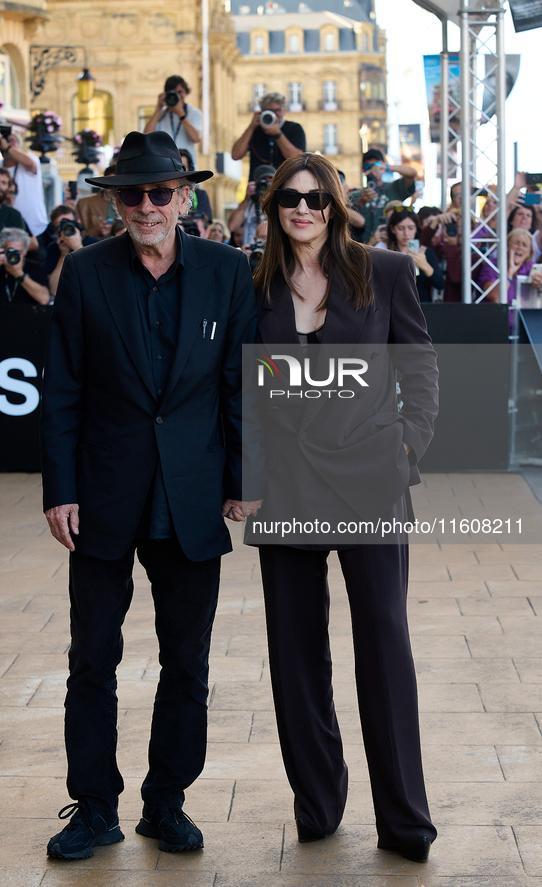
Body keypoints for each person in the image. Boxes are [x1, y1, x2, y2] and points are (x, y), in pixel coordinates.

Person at [40, 130, 259, 861]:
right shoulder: (86, 273)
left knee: (185, 662)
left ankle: (166, 801)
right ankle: (94, 806)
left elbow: (239, 382)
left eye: (159, 192)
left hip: (190, 493)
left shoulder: (229, 272)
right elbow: (63, 390)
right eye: (130, 194)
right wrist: (59, 490)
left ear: (185, 196)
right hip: (102, 492)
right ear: (114, 203)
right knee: (91, 659)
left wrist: (244, 477)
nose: (145, 206)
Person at [249, 153, 438, 861]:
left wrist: (408, 448)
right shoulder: (253, 279)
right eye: (290, 199)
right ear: (274, 208)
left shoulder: (383, 271)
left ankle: (405, 822)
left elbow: (419, 369)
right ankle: (318, 806)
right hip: (287, 485)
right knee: (295, 659)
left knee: (384, 648)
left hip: (369, 481)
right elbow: (240, 386)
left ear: (335, 205)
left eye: (316, 198)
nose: (303, 209)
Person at [231, 92, 306, 181]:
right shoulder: (256, 130)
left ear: (284, 110)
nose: (272, 114)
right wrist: (251, 127)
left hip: (284, 186)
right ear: (261, 112)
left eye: (276, 110)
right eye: (268, 111)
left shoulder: (294, 128)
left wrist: (277, 134)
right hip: (258, 188)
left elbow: (298, 159)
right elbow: (235, 155)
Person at [349, 149, 417, 243]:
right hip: (363, 246)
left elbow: (412, 173)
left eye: (377, 165)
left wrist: (388, 167)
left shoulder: (393, 188)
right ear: (363, 169)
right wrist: (361, 202)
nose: (373, 169)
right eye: (368, 166)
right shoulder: (355, 195)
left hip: (390, 246)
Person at [0, 227, 50, 305]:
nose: (14, 256)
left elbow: (44, 299)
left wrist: (18, 274)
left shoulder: (35, 267)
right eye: (11, 251)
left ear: (25, 251)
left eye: (18, 252)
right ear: (3, 250)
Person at [143, 75, 202, 169]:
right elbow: (146, 135)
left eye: (180, 92)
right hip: (165, 166)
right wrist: (159, 108)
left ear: (186, 92)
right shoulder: (161, 114)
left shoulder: (193, 112)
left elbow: (196, 138)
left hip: (187, 166)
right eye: (172, 93)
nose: (177, 96)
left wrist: (180, 114)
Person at [386, 208, 444, 302]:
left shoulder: (426, 252)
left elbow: (440, 284)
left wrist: (424, 265)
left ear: (416, 229)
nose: (406, 233)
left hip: (423, 308)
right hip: (393, 309)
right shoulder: (386, 253)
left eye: (411, 228)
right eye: (401, 228)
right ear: (393, 229)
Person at [45, 205, 99, 298]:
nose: (66, 229)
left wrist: (78, 247)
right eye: (60, 227)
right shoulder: (53, 248)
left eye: (69, 224)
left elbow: (97, 281)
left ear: (78, 223)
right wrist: (63, 255)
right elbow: (54, 290)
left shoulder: (94, 244)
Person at [478, 227, 540, 305]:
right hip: (496, 316)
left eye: (524, 245)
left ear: (529, 252)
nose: (520, 247)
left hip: (523, 317)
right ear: (507, 247)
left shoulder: (532, 267)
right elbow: (495, 297)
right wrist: (510, 273)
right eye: (516, 243)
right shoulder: (492, 265)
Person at [228, 164, 275, 248]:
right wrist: (247, 199)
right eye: (263, 183)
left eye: (270, 183)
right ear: (255, 185)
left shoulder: (280, 205)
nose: (267, 187)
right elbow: (232, 227)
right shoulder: (249, 204)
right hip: (250, 253)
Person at [76, 165, 117, 238]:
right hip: (96, 246)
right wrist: (97, 231)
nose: (113, 185)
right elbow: (75, 234)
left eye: (116, 181)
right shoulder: (85, 203)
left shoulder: (129, 204)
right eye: (110, 180)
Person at [179, 149, 212, 222]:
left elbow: (205, 219)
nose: (180, 171)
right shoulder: (166, 193)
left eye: (183, 167)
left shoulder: (200, 195)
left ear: (190, 169)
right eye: (177, 167)